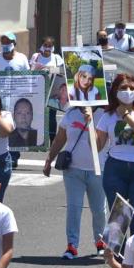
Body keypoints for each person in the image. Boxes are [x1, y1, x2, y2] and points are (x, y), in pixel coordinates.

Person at [96, 73, 134, 239]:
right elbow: (97, 145)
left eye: (132, 88)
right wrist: (88, 121)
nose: (128, 91)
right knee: (119, 214)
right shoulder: (107, 116)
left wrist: (126, 116)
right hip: (116, 168)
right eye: (123, 88)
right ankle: (116, 257)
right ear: (115, 90)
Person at [44, 105, 107, 259]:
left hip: (98, 169)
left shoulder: (105, 114)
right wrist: (49, 159)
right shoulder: (71, 113)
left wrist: (90, 120)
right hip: (73, 170)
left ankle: (100, 241)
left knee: (99, 209)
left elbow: (102, 143)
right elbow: (60, 139)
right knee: (74, 208)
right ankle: (72, 246)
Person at [0, 32, 28, 169]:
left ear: (14, 44)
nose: (5, 45)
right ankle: (4, 154)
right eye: (3, 42)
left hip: (18, 99)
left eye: (8, 42)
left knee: (16, 128)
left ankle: (14, 156)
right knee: (4, 127)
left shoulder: (22, 58)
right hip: (1, 100)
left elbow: (29, 77)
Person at [30, 36, 65, 142]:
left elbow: (63, 72)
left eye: (50, 46)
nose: (47, 48)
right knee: (38, 115)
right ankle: (39, 140)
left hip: (52, 91)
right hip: (38, 90)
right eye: (45, 45)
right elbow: (30, 70)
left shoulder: (57, 58)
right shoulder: (36, 56)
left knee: (51, 116)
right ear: (41, 46)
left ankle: (52, 139)